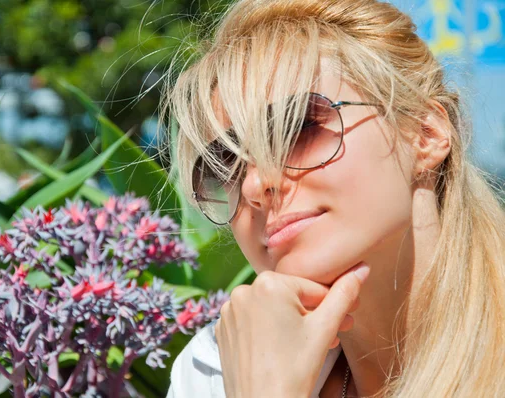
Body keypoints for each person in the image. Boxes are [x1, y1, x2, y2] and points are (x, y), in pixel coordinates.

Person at [160, 0, 505, 396]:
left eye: (299, 127)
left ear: (425, 134)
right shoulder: (217, 369)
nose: (254, 186)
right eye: (222, 164)